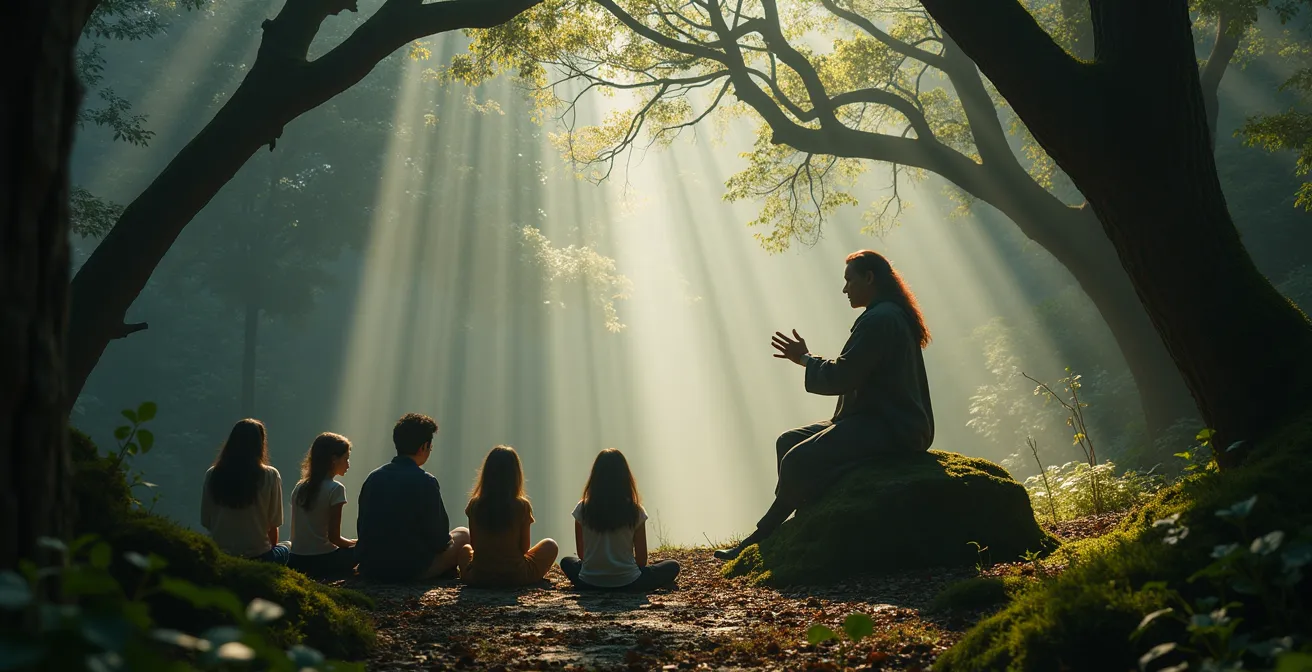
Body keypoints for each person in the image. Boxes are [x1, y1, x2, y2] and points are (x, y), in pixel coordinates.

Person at [714, 250, 935, 561]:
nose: (845, 289)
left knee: (797, 460)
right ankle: (809, 521)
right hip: (883, 421)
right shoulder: (887, 314)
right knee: (787, 441)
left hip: (892, 427)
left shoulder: (880, 319)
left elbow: (842, 376)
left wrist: (805, 359)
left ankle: (762, 535)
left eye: (849, 280)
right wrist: (807, 360)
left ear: (869, 278)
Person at [355, 413, 472, 582]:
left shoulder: (373, 478)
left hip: (371, 567)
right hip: (409, 570)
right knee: (464, 534)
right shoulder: (426, 481)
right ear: (424, 447)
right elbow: (440, 540)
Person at [559, 449, 680, 591]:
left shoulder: (582, 508)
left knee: (567, 562)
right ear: (625, 477)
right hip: (629, 582)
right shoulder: (635, 511)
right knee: (672, 566)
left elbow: (582, 554)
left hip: (588, 581)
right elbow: (641, 560)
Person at [461, 445, 558, 587]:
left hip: (480, 576)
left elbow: (475, 545)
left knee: (465, 550)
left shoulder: (475, 505)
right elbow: (524, 548)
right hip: (515, 576)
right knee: (550, 545)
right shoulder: (522, 506)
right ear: (516, 475)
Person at [201, 418, 289, 564]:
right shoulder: (270, 475)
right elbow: (274, 523)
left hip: (220, 553)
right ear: (260, 444)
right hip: (258, 556)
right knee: (287, 547)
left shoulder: (212, 474)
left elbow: (206, 520)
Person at [288, 432, 358, 579]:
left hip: (296, 560)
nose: (348, 464)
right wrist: (357, 543)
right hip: (324, 561)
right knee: (366, 549)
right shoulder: (335, 489)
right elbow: (334, 538)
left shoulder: (300, 487)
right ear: (334, 460)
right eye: (346, 459)